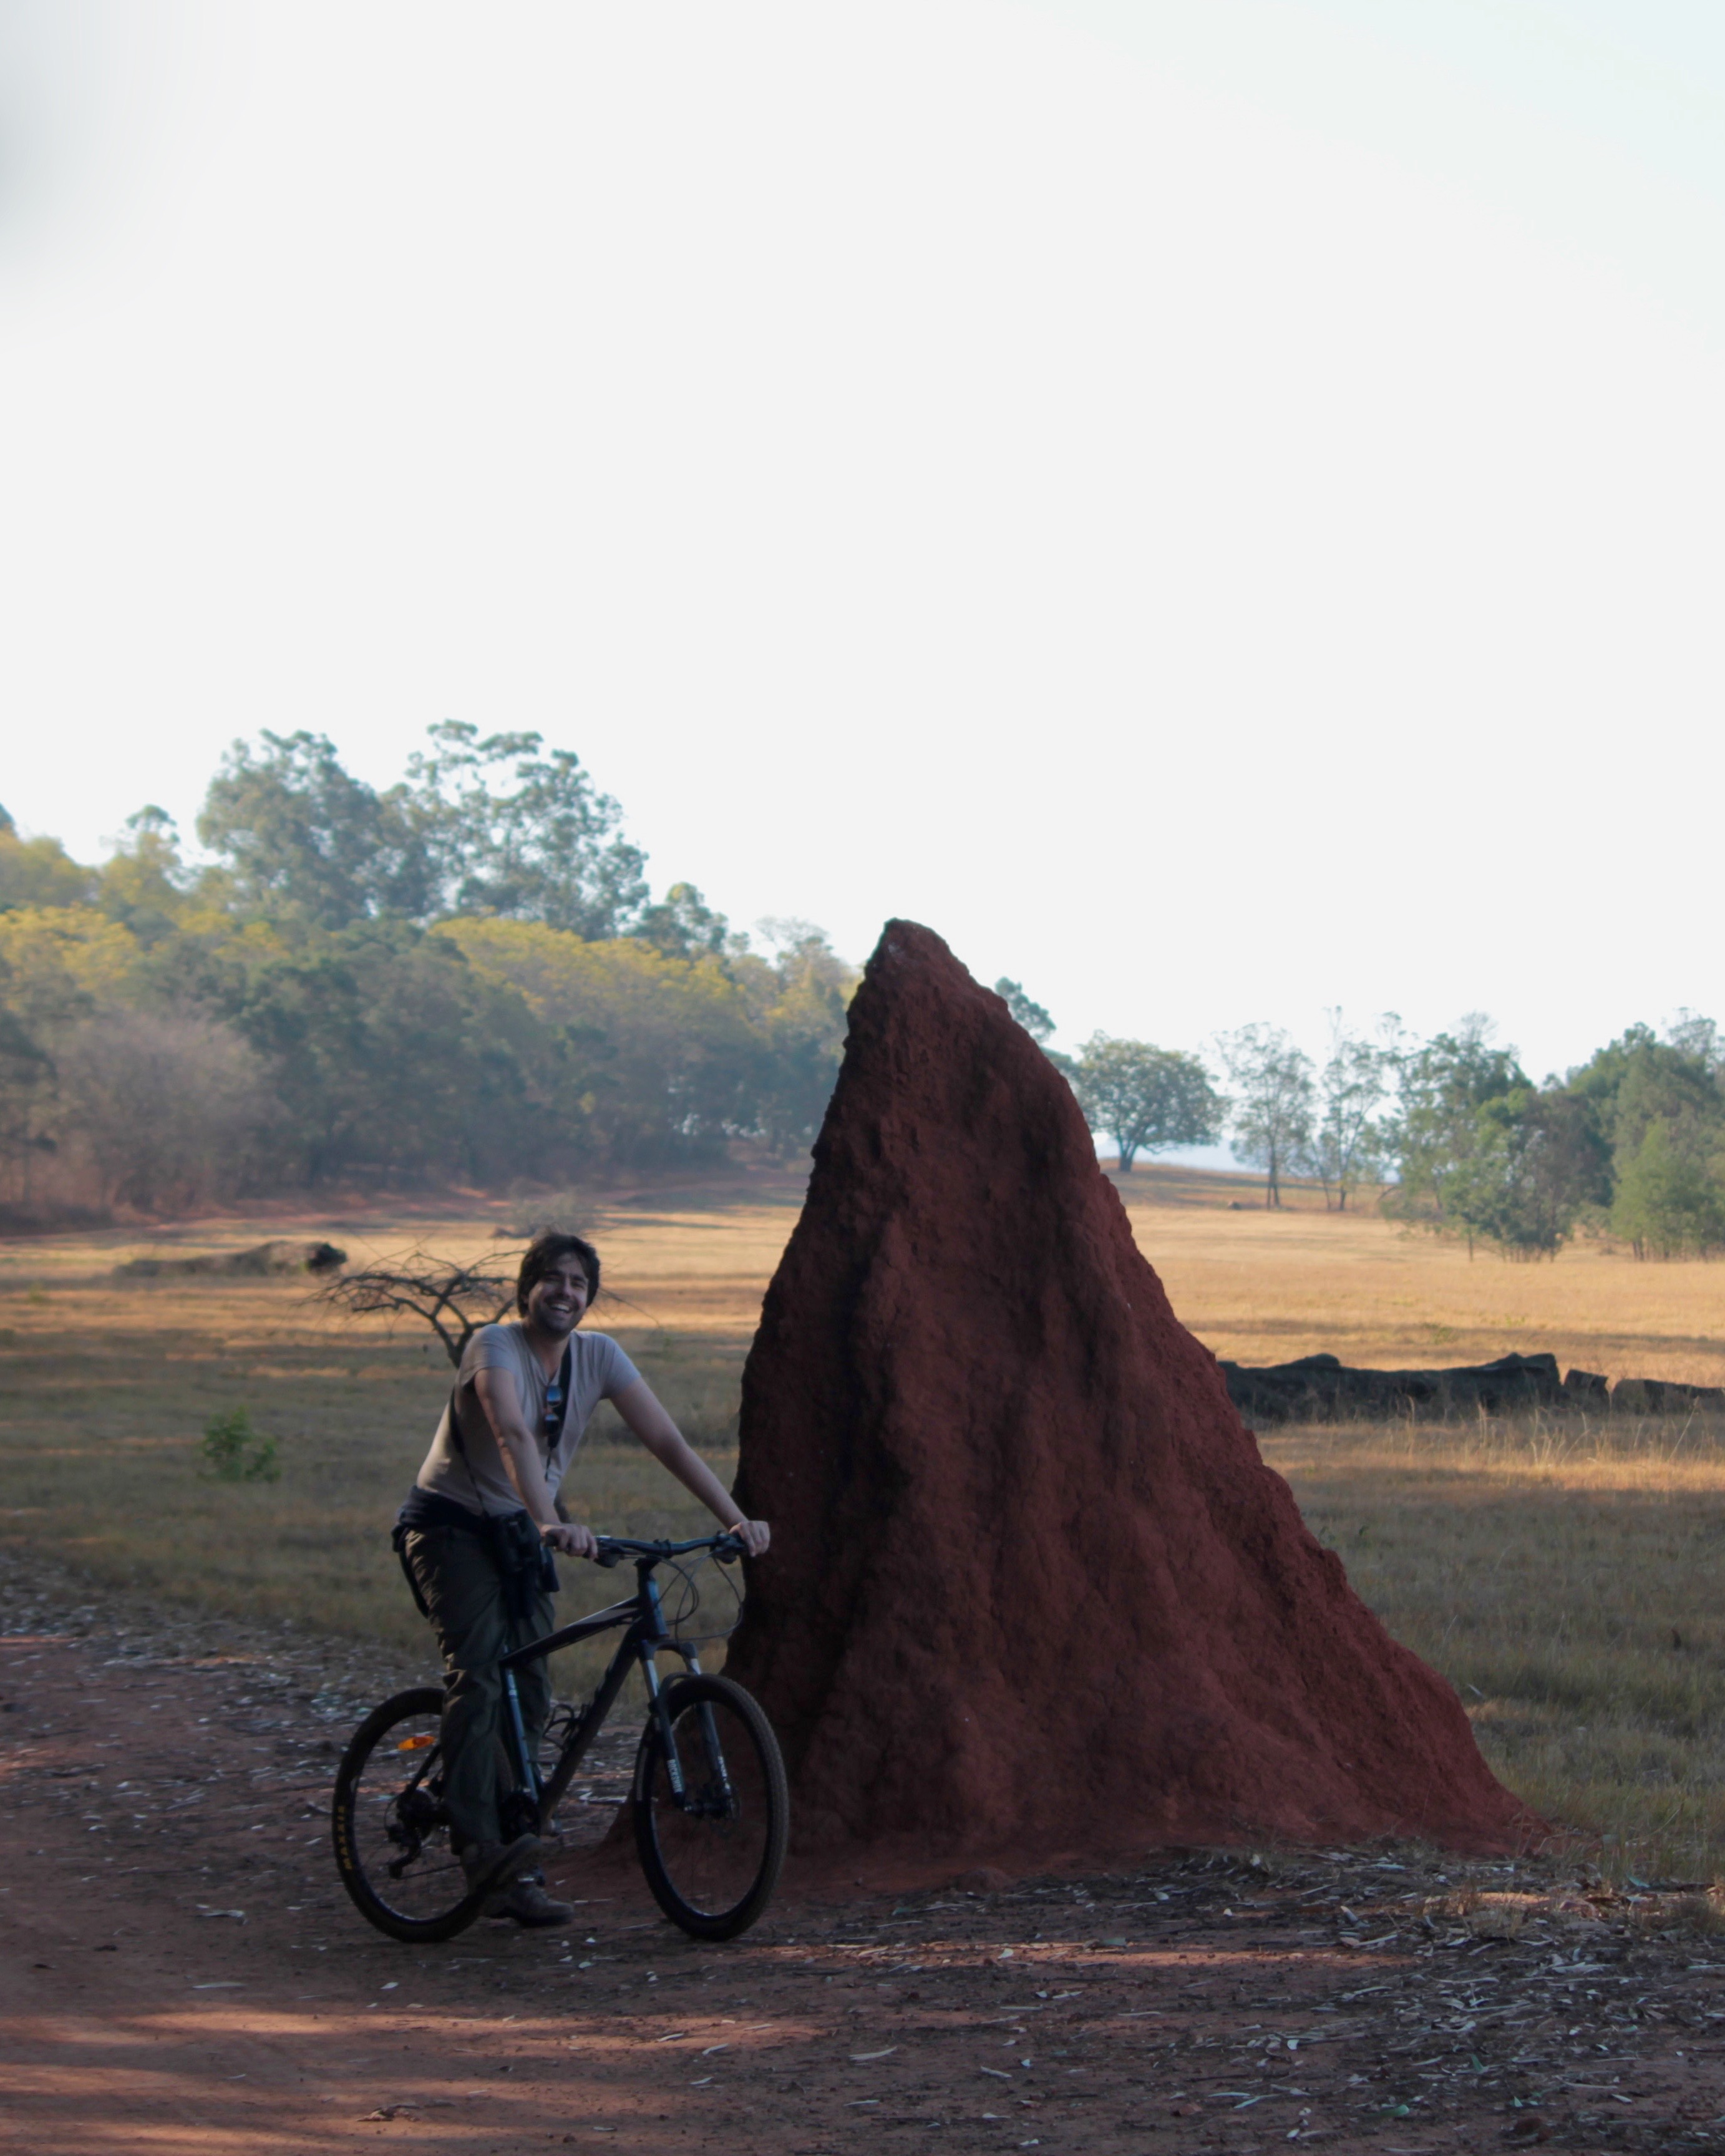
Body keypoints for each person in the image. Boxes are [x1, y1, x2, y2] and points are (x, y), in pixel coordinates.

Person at [394, 1230, 770, 1926]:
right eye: (554, 1280)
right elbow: (510, 1431)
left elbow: (666, 1441)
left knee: (531, 1689)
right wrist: (548, 1522)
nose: (566, 1293)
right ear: (526, 1288)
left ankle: (515, 1861)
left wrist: (736, 1521)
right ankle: (480, 1846)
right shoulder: (493, 1346)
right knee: (481, 1676)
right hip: (452, 1526)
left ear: (589, 1297)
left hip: (520, 1529)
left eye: (579, 1284)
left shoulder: (599, 1357)